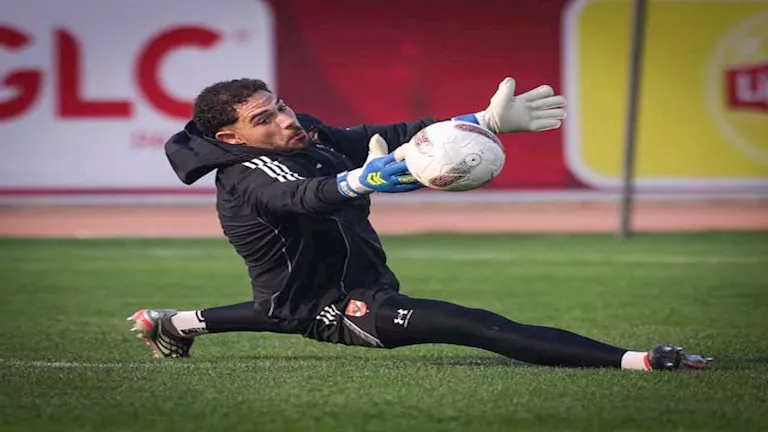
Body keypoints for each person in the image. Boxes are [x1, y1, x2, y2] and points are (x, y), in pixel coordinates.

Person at [128, 77, 711, 371]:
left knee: (279, 307)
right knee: (471, 324)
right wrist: (360, 181)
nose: (285, 119)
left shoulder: (305, 133)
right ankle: (638, 360)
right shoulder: (245, 174)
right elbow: (300, 197)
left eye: (279, 105)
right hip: (339, 307)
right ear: (230, 138)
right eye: (265, 118)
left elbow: (387, 136)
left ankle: (171, 322)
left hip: (322, 287)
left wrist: (483, 120)